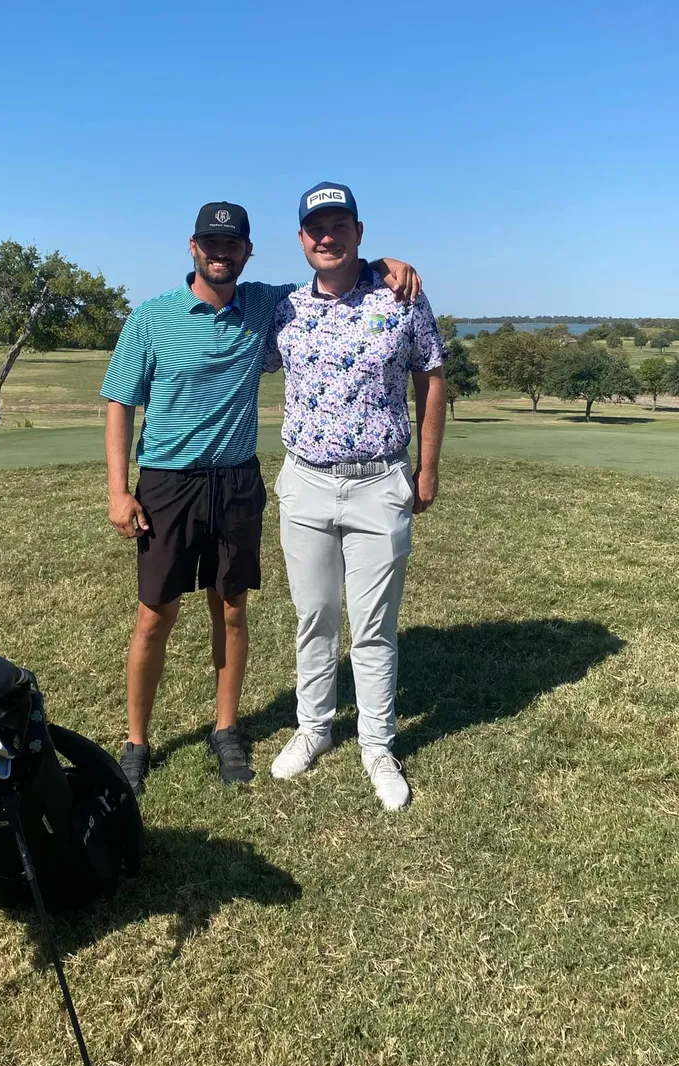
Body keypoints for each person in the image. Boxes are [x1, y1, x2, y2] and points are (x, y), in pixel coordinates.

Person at [101, 199, 421, 795]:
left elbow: (337, 271)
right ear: (193, 247)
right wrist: (119, 490)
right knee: (154, 616)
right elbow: (120, 403)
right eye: (210, 244)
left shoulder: (264, 304)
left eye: (232, 245)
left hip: (239, 480)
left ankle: (227, 731)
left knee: (231, 607)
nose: (221, 253)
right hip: (169, 482)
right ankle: (137, 741)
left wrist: (384, 264)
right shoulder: (151, 316)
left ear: (248, 251)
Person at [265, 182, 446, 810]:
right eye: (316, 227)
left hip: (379, 482)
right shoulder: (284, 310)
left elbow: (431, 379)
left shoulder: (402, 297)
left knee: (374, 627)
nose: (327, 236)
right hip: (306, 482)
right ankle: (313, 728)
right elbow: (228, 335)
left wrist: (426, 469)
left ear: (359, 233)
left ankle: (376, 744)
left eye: (339, 225)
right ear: (301, 239)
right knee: (314, 618)